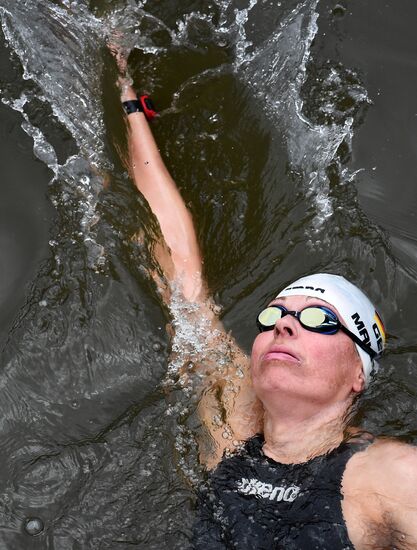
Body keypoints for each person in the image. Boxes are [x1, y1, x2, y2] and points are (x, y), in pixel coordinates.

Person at [109, 42, 417, 549]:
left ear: (358, 373)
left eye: (319, 320)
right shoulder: (231, 432)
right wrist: (124, 102)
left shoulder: (389, 476)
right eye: (275, 313)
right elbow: (180, 274)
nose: (284, 324)